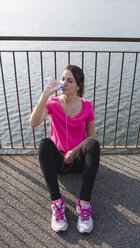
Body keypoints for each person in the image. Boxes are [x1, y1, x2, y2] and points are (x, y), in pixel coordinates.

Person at [29, 64, 100, 233]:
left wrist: (75, 151)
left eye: (69, 81)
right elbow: (33, 123)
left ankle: (84, 204)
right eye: (62, 79)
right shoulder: (52, 103)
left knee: (93, 145)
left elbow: (91, 136)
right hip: (59, 162)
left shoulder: (87, 105)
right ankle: (57, 203)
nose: (64, 84)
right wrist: (45, 94)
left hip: (78, 161)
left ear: (78, 86)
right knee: (45, 143)